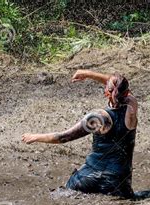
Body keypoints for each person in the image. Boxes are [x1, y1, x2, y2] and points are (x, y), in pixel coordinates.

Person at [22, 70, 138, 198]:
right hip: (119, 184)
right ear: (126, 93)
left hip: (87, 179)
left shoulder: (98, 118)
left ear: (106, 92)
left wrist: (35, 137)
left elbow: (63, 137)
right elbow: (119, 86)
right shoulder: (132, 108)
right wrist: (89, 74)